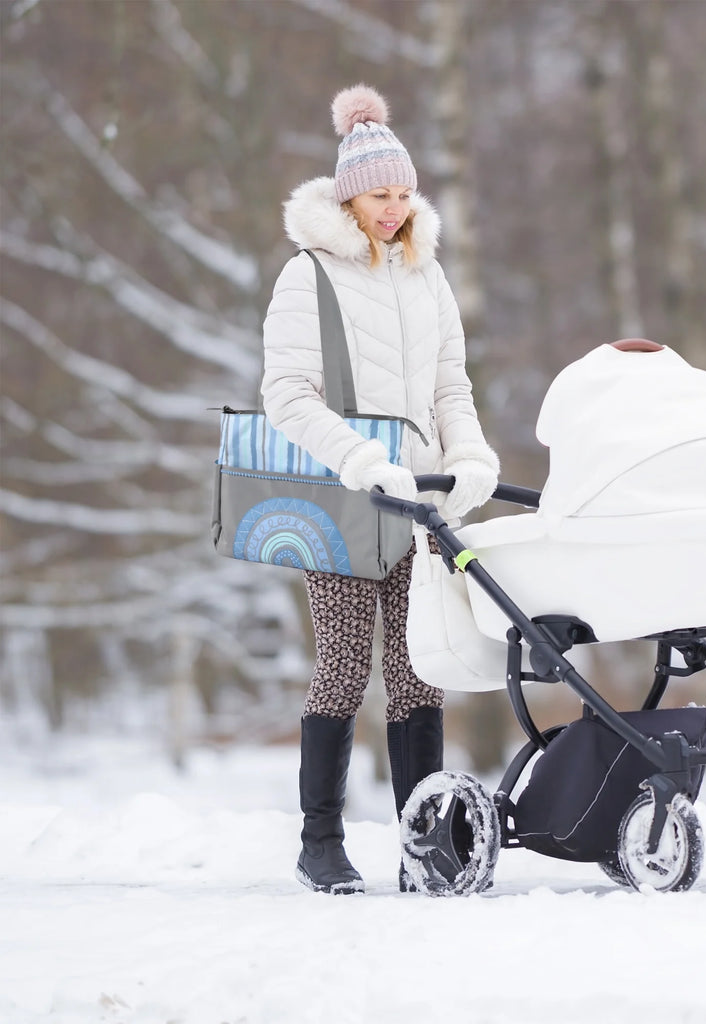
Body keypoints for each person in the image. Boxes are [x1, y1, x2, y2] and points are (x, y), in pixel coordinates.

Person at [261, 84, 499, 894]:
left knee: (417, 668)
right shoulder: (308, 276)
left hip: (419, 502)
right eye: (379, 194)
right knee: (342, 665)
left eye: (404, 193)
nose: (393, 209)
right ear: (346, 194)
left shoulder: (427, 278)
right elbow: (287, 395)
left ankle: (422, 843)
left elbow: (450, 388)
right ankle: (319, 842)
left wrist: (469, 457)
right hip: (339, 498)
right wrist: (361, 460)